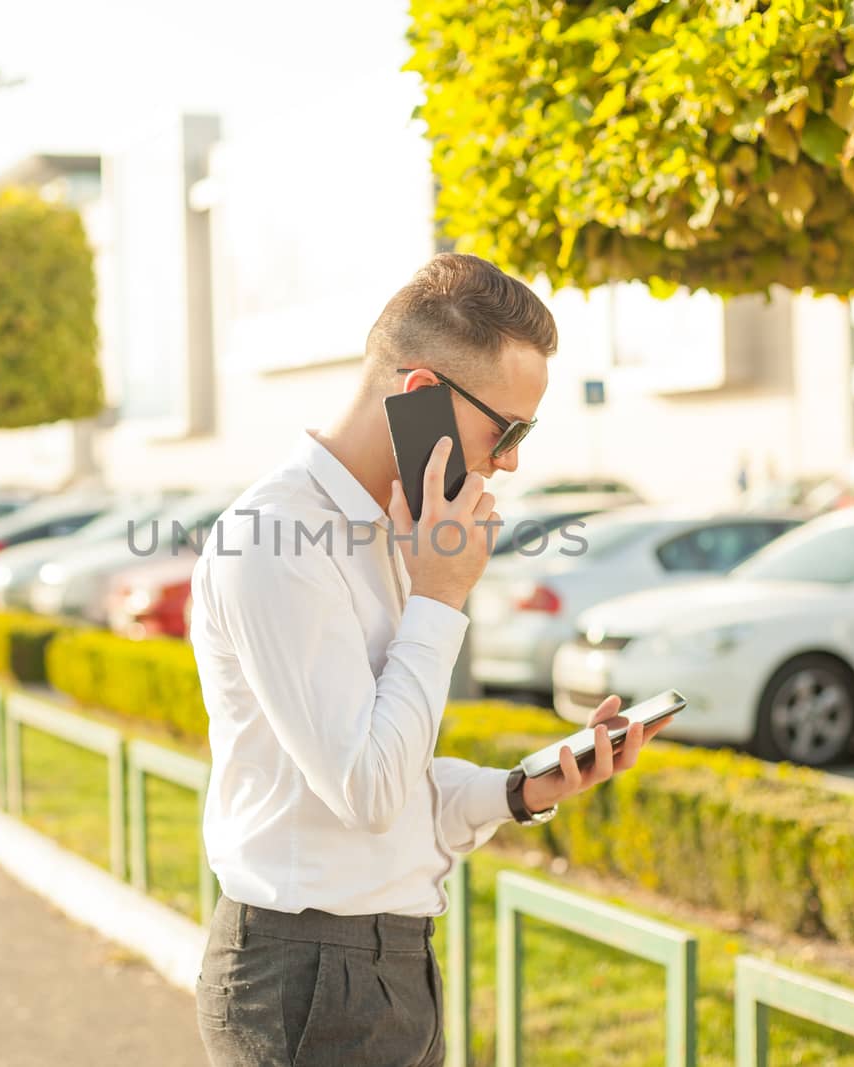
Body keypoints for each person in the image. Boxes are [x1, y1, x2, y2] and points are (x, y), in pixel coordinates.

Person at [187, 253, 674, 1066]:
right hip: (309, 982)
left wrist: (519, 790)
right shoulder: (272, 542)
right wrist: (440, 594)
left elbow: (393, 774)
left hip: (382, 967)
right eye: (506, 429)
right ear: (420, 398)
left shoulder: (395, 531)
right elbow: (367, 791)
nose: (511, 460)